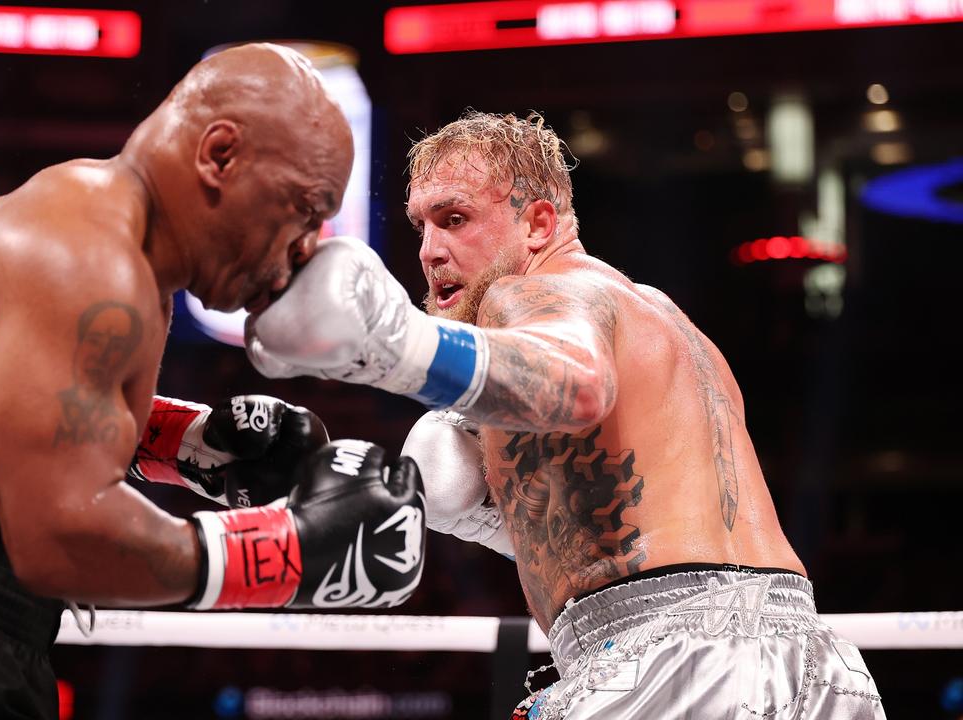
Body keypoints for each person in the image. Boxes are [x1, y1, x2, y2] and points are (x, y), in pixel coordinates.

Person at [0, 43, 427, 720]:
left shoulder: (111, 244)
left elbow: (26, 413)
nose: (306, 247)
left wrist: (195, 444)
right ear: (219, 154)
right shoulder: (84, 253)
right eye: (305, 208)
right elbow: (60, 536)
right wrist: (287, 552)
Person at [246, 110, 884, 719]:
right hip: (817, 667)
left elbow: (576, 383)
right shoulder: (661, 321)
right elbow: (612, 529)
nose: (429, 252)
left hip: (667, 659)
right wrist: (470, 513)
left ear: (539, 224)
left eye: (456, 218)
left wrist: (386, 344)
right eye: (422, 227)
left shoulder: (537, 292)